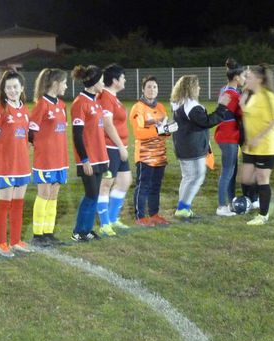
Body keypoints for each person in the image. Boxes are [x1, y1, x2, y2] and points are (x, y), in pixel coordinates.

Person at [171, 75, 230, 218]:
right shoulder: (191, 106)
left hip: (183, 146)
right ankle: (183, 208)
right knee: (197, 177)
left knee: (187, 177)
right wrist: (222, 107)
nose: (199, 88)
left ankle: (182, 207)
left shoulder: (179, 103)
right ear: (191, 88)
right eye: (197, 86)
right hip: (192, 147)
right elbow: (207, 122)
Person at [0, 70, 33, 257]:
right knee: (4, 204)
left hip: (23, 164)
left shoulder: (25, 110)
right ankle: (1, 243)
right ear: (3, 89)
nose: (12, 90)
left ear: (22, 88)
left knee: (18, 204)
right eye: (8, 87)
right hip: (6, 165)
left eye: (15, 86)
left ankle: (15, 241)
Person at [28, 68, 69, 247]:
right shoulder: (41, 104)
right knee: (44, 195)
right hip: (45, 160)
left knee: (53, 196)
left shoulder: (61, 105)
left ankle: (48, 233)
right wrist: (42, 148)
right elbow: (31, 132)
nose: (66, 86)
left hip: (60, 159)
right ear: (56, 83)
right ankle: (37, 235)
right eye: (64, 82)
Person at [129, 76, 177, 226]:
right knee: (143, 186)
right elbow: (139, 133)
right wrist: (159, 129)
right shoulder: (138, 108)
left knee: (156, 186)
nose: (152, 90)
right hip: (145, 155)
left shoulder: (161, 107)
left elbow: (164, 133)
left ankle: (154, 214)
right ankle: (140, 217)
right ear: (143, 89)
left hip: (160, 154)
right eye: (149, 87)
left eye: (154, 87)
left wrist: (168, 129)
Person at [70, 65, 109, 241]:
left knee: (95, 194)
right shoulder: (80, 103)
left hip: (99, 157)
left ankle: (87, 229)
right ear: (93, 83)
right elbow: (77, 135)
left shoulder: (95, 101)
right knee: (91, 193)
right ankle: (78, 231)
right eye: (101, 80)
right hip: (88, 159)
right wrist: (84, 159)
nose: (104, 83)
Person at [240, 64, 274, 225]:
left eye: (249, 77)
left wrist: (258, 137)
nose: (246, 79)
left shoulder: (268, 96)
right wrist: (242, 102)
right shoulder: (253, 95)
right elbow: (249, 115)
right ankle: (253, 201)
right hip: (250, 146)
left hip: (267, 146)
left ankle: (263, 215)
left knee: (262, 178)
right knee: (245, 178)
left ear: (259, 79)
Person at [97, 64, 131, 237]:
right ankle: (104, 224)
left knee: (125, 181)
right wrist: (119, 146)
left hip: (119, 147)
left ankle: (112, 218)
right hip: (110, 147)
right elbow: (107, 125)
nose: (125, 80)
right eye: (123, 77)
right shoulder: (106, 98)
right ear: (115, 80)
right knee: (106, 184)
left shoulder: (114, 98)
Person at [214, 58, 246, 217]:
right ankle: (221, 206)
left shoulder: (225, 90)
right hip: (228, 136)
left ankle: (230, 202)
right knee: (227, 172)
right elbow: (242, 113)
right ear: (236, 78)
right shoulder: (232, 94)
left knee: (231, 171)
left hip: (226, 134)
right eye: (244, 76)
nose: (245, 79)